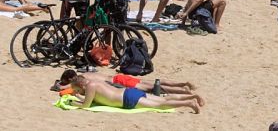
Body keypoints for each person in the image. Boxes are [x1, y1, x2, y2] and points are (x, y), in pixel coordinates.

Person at [68, 75, 201, 113]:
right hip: (128, 92)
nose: (79, 92)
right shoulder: (93, 82)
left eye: (78, 90)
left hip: (127, 99)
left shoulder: (90, 86)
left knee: (160, 104)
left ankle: (189, 103)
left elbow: (86, 105)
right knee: (161, 99)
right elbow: (92, 99)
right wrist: (79, 97)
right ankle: (191, 96)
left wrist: (72, 102)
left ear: (81, 86)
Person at [58, 70, 198, 96]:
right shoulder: (87, 73)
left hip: (119, 82)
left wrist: (59, 84)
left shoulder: (80, 80)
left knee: (152, 88)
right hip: (119, 76)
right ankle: (182, 84)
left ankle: (184, 92)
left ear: (71, 79)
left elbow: (62, 88)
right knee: (152, 82)